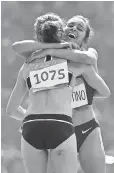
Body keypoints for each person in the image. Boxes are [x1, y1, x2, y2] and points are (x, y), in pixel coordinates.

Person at [12, 14, 110, 173]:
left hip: (85, 127)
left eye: (79, 28)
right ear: (61, 30)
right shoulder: (44, 56)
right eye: (70, 25)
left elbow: (90, 63)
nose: (73, 29)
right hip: (59, 126)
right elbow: (17, 47)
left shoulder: (86, 56)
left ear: (85, 37)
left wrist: (48, 49)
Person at [6, 13, 78, 173]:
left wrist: (33, 117)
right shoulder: (73, 59)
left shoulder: (28, 64)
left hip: (32, 125)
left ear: (38, 35)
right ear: (61, 33)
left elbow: (11, 110)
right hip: (61, 124)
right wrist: (61, 46)